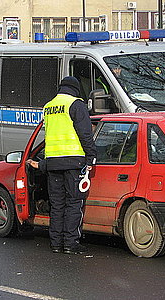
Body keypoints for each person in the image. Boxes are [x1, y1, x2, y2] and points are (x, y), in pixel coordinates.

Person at [27, 76, 97, 255]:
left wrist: (43, 163)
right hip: (74, 161)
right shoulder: (76, 104)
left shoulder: (49, 107)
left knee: (57, 205)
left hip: (53, 163)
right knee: (74, 203)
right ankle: (70, 243)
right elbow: (85, 134)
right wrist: (91, 157)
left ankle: (56, 243)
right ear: (75, 89)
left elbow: (50, 135)